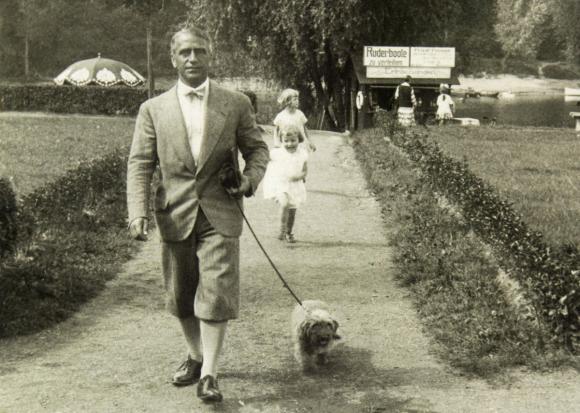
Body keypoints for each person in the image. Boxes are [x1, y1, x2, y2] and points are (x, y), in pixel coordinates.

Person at [126, 25, 269, 403]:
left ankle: (209, 374)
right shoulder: (152, 110)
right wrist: (137, 212)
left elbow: (257, 150)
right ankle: (195, 354)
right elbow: (140, 163)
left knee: (217, 292)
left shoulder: (235, 103)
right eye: (185, 52)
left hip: (221, 211)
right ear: (173, 59)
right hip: (174, 213)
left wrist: (249, 181)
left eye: (199, 51)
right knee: (181, 294)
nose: (192, 58)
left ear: (210, 56)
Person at [262, 123, 308, 243]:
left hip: (295, 186)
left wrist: (298, 176)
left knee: (292, 210)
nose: (290, 144)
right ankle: (282, 229)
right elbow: (263, 158)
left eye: (293, 140)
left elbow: (305, 171)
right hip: (281, 184)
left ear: (299, 139)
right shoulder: (277, 153)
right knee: (284, 203)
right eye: (286, 141)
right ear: (281, 141)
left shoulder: (302, 154)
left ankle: (289, 232)